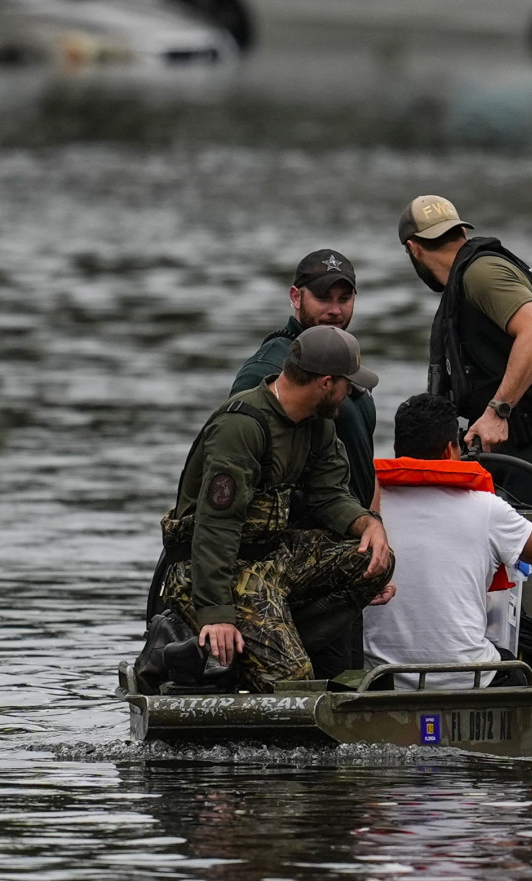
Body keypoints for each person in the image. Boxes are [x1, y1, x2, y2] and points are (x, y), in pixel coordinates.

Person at [154, 326, 395, 693]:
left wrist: (368, 524)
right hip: (208, 570)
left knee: (373, 560)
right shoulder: (242, 426)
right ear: (326, 383)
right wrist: (216, 614)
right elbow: (215, 527)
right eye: (349, 384)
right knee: (293, 682)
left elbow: (330, 495)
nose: (352, 394)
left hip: (270, 561)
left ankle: (273, 638)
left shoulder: (317, 425)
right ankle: (221, 652)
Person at [231, 248, 381, 679]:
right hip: (295, 566)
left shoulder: (346, 365)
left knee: (346, 684)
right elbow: (241, 474)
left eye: (344, 298)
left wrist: (370, 542)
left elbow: (360, 469)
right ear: (296, 297)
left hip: (341, 554)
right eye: (323, 298)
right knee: (314, 686)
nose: (335, 310)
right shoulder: (268, 369)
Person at [398, 194, 532, 514]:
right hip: (513, 446)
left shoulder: (481, 273)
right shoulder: (466, 278)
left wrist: (498, 411)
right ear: (462, 233)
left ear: (413, 248)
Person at [363, 394, 532, 689]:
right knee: (525, 666)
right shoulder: (486, 507)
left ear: (396, 450)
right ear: (449, 450)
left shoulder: (365, 509)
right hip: (468, 676)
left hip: (382, 680)